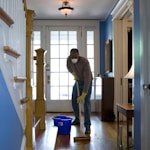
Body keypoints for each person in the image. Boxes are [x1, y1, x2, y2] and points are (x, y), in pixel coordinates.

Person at [67, 48, 93, 134]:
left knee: (86, 102)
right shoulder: (69, 60)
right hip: (78, 81)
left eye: (75, 57)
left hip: (87, 82)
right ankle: (77, 119)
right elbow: (68, 67)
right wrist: (73, 74)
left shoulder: (85, 62)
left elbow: (87, 79)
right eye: (72, 57)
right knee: (74, 99)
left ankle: (87, 125)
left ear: (78, 56)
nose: (74, 59)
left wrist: (83, 94)